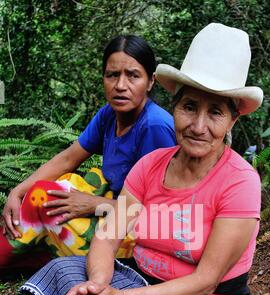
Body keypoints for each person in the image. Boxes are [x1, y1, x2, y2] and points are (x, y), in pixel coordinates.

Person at [0, 23, 263, 295]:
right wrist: (98, 286)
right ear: (173, 105)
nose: (198, 125)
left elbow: (205, 280)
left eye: (215, 112)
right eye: (189, 107)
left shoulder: (239, 182)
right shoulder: (152, 165)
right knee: (60, 274)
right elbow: (107, 235)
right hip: (142, 276)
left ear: (233, 119)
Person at [0, 35, 175, 274]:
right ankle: (35, 252)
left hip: (136, 234)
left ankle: (27, 253)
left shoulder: (154, 126)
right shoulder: (109, 115)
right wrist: (17, 191)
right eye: (112, 75)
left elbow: (163, 214)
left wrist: (95, 204)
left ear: (150, 81)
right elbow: (68, 159)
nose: (120, 85)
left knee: (44, 200)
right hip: (114, 206)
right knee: (57, 187)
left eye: (133, 75)